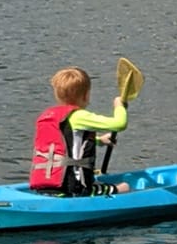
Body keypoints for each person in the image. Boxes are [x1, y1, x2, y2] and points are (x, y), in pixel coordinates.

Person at [30, 67, 130, 195]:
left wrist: (99, 140)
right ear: (86, 95)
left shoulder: (49, 116)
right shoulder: (80, 116)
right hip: (75, 187)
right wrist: (119, 106)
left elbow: (65, 143)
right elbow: (119, 124)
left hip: (46, 186)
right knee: (125, 187)